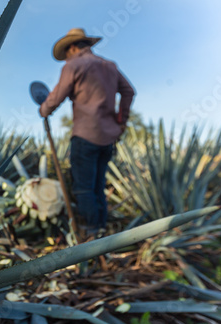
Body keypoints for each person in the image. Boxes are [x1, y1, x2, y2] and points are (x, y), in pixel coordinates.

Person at [39, 28, 135, 239]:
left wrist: (43, 109)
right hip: (108, 138)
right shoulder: (109, 66)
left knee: (83, 188)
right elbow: (129, 91)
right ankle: (102, 229)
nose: (66, 59)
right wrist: (121, 123)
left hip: (85, 135)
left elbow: (56, 97)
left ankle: (91, 235)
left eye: (66, 54)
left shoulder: (73, 65)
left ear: (73, 47)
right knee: (98, 185)